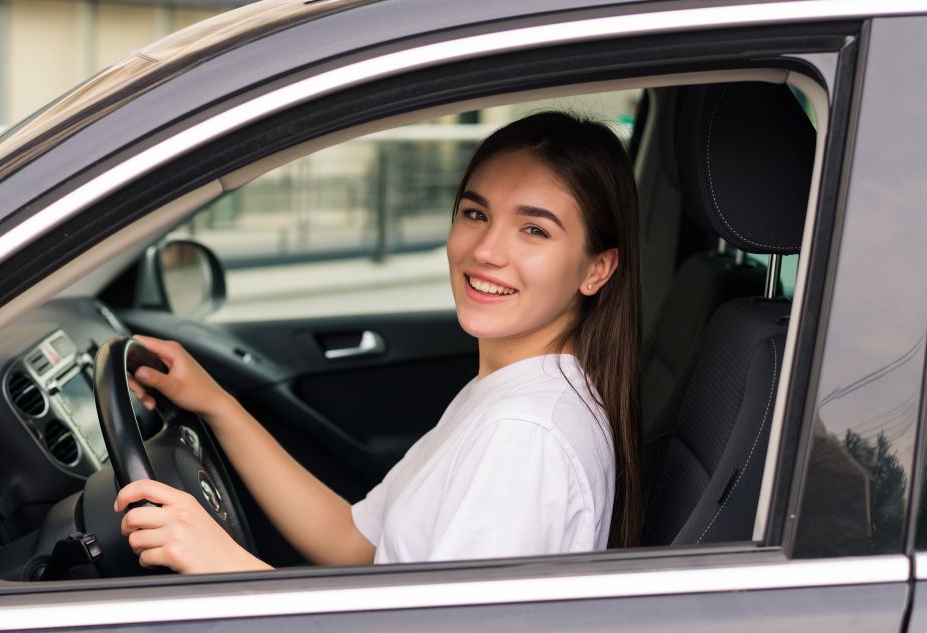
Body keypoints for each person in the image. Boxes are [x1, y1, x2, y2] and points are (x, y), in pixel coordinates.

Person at [115, 111, 642, 573]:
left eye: (534, 231)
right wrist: (216, 403)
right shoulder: (510, 393)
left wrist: (226, 567)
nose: (486, 251)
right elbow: (355, 542)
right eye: (475, 214)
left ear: (597, 270)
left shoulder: (525, 435)